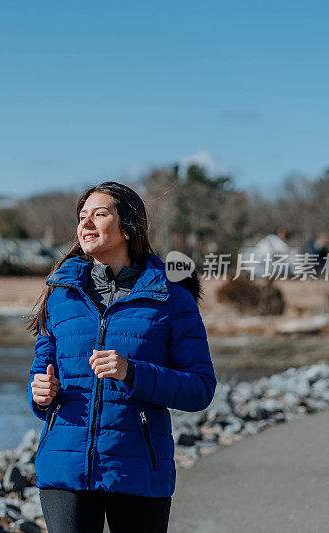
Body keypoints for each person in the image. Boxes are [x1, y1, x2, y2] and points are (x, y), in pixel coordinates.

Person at [27, 181, 216, 533]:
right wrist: (39, 393)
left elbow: (200, 388)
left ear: (129, 227)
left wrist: (132, 372)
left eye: (100, 214)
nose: (85, 224)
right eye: (82, 216)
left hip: (137, 470)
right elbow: (42, 370)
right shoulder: (60, 295)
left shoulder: (172, 297)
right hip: (64, 468)